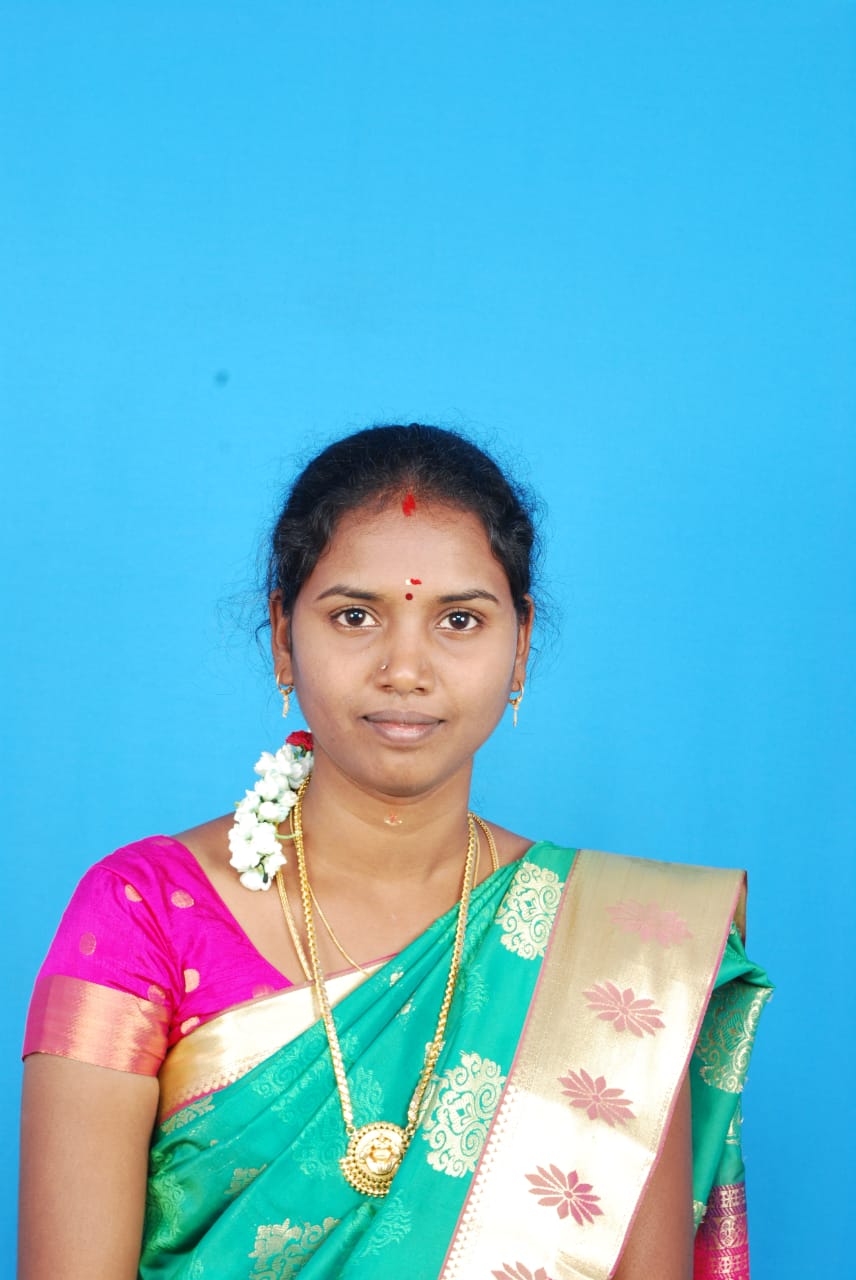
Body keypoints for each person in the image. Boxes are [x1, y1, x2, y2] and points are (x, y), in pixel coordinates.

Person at [19, 423, 771, 1280]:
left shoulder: (608, 948)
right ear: (282, 634)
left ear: (520, 645)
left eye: (459, 619)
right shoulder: (146, 913)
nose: (405, 668)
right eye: (354, 616)